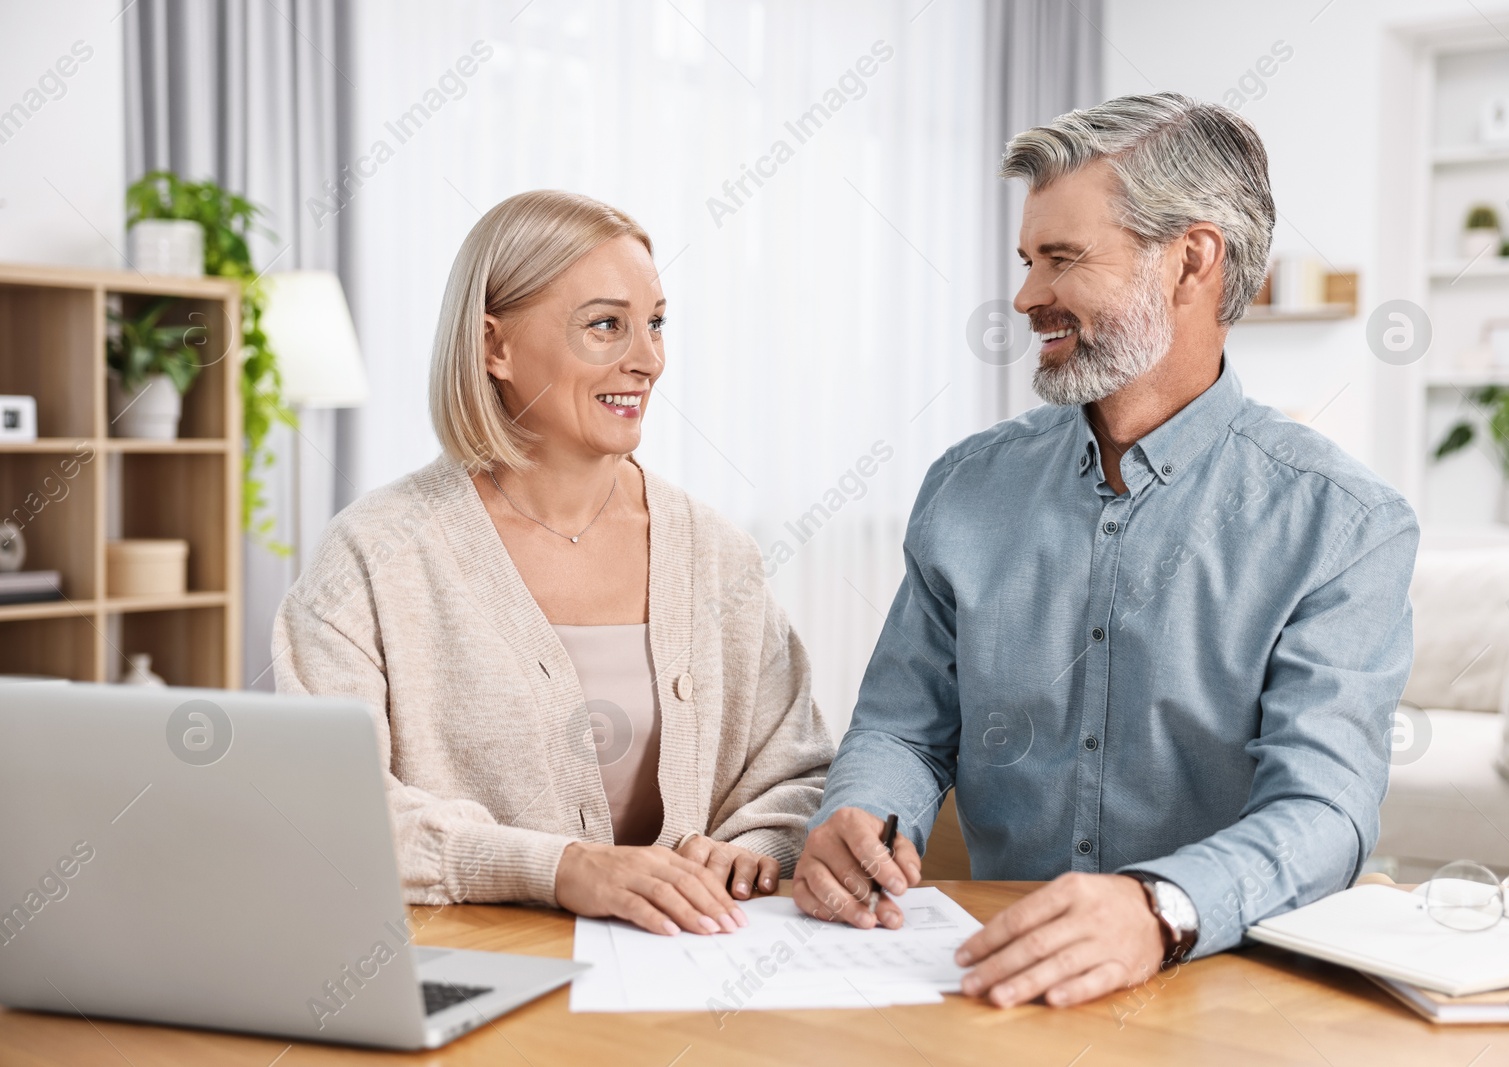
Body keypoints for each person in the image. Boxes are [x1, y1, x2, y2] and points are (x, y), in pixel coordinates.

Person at [794, 92, 1420, 1008]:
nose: (1023, 296)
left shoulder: (1344, 523)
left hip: (1226, 985)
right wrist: (861, 813)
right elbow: (902, 728)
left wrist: (1158, 908)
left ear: (1190, 261)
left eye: (1062, 258)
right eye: (1025, 259)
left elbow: (1324, 811)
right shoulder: (966, 489)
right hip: (983, 983)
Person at [274, 190, 834, 939]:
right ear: (492, 346)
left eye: (656, 323)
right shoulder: (374, 554)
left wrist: (750, 851)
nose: (649, 360)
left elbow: (797, 773)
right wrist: (561, 868)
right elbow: (331, 807)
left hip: (695, 970)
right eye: (607, 324)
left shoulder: (717, 553)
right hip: (468, 978)